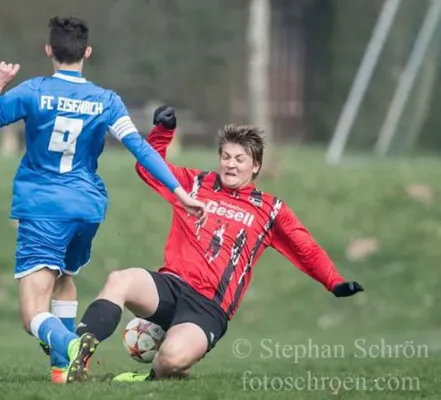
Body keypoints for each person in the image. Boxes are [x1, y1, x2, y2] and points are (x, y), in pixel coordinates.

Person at [0, 17, 205, 384]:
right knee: (63, 279)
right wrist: (179, 191)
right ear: (86, 52)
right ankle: (63, 370)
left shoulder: (32, 91)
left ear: (49, 51)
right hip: (86, 210)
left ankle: (72, 346)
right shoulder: (106, 100)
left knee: (32, 316)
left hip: (43, 208)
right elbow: (139, 147)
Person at [67, 106, 364, 382]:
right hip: (171, 287)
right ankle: (76, 354)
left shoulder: (271, 210)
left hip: (208, 308)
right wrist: (162, 132)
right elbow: (149, 168)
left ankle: (152, 379)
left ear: (256, 166)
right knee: (121, 280)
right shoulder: (195, 183)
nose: (230, 165)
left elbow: (306, 249)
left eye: (239, 159)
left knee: (171, 359)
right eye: (226, 156)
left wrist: (334, 282)